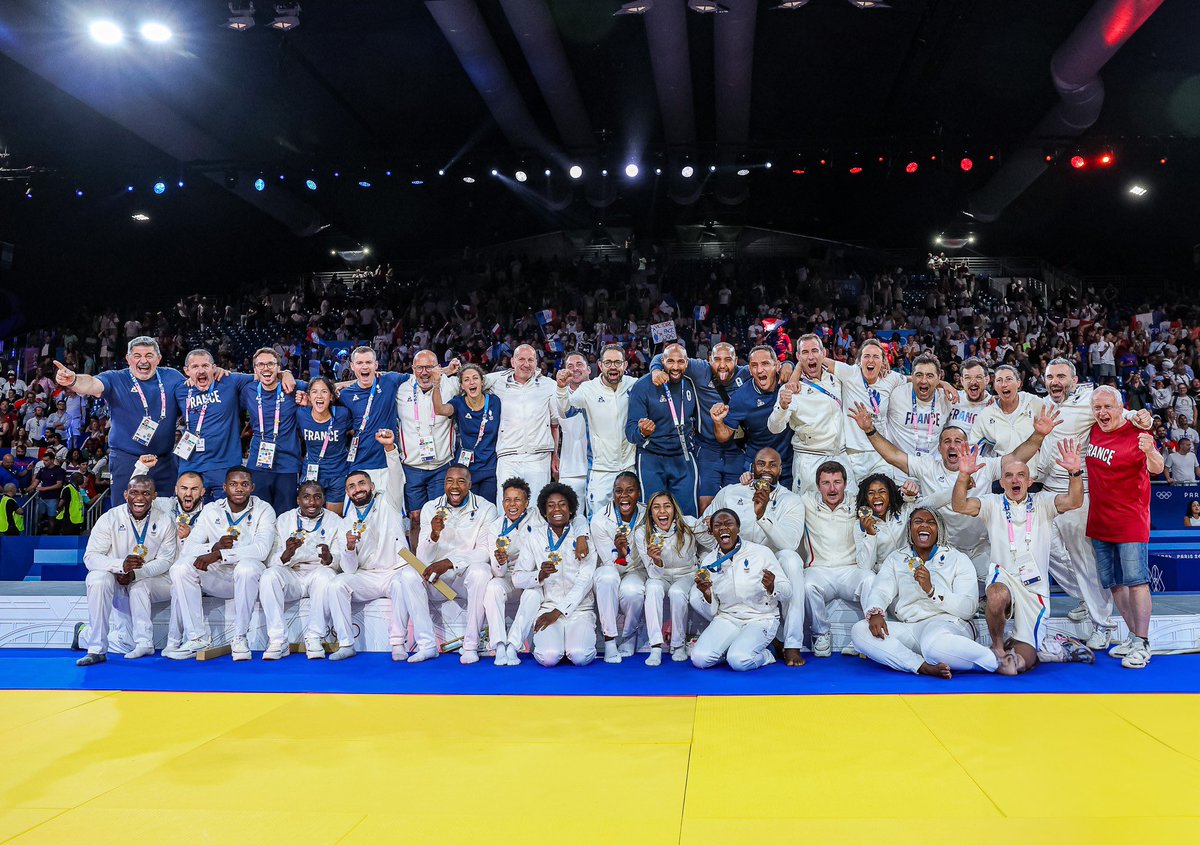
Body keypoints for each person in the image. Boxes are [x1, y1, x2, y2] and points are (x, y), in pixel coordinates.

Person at [1009, 360, 1151, 649]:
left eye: (1061, 376)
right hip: (1045, 493)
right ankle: (1088, 601)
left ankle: (1104, 625)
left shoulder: (1089, 402)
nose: (1055, 381)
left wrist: (1140, 416)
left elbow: (1120, 411)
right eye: (1050, 376)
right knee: (1044, 555)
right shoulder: (1038, 402)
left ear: (1074, 379)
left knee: (1087, 565)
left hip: (1078, 495)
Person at [952, 441, 1084, 675]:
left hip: (1034, 588)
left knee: (1016, 667)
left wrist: (1075, 473)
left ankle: (1042, 649)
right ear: (1001, 482)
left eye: (1021, 475)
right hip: (1003, 576)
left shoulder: (1044, 502)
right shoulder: (991, 503)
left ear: (1029, 480)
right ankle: (998, 647)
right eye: (1009, 476)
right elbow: (959, 505)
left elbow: (1074, 501)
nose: (1015, 480)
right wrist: (963, 476)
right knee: (995, 596)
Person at [850, 408, 996, 582]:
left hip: (979, 548)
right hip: (941, 550)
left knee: (992, 586)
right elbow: (894, 456)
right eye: (947, 441)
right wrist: (870, 430)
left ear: (967, 446)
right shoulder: (927, 466)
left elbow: (1016, 460)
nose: (952, 445)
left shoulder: (985, 466)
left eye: (958, 441)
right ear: (939, 448)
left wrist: (1038, 435)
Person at [851, 507, 999, 678]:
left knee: (934, 646)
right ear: (909, 529)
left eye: (931, 523)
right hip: (911, 627)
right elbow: (881, 590)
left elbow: (968, 608)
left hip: (947, 623)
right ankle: (920, 665)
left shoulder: (957, 559)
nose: (924, 526)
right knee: (860, 630)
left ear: (940, 529)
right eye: (918, 522)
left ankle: (995, 660)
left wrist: (932, 590)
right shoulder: (896, 558)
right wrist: (876, 611)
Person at [1086, 385, 1165, 669]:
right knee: (1115, 584)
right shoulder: (1093, 430)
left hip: (1130, 519)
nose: (1102, 413)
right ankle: (1132, 636)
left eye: (1108, 407)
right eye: (1097, 408)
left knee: (1137, 581)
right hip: (1099, 520)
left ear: (1122, 408)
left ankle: (1143, 642)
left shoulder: (1137, 432)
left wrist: (1150, 450)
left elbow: (1157, 468)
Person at [326, 431, 423, 662]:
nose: (358, 488)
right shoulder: (345, 523)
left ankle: (398, 643)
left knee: (402, 585)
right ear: (348, 494)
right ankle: (347, 643)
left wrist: (390, 448)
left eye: (362, 483)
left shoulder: (389, 501)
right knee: (338, 583)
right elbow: (349, 570)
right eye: (352, 487)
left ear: (372, 485)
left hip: (395, 570)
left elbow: (397, 476)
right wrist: (349, 549)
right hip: (367, 576)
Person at [703, 447, 806, 666]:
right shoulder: (732, 491)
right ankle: (743, 638)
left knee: (792, 559)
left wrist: (763, 514)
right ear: (752, 467)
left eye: (772, 464)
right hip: (737, 559)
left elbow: (790, 544)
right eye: (761, 464)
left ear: (780, 469)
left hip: (771, 563)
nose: (766, 469)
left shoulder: (791, 500)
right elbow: (706, 524)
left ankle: (792, 643)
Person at [54, 337, 186, 506]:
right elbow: (92, 384)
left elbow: (194, 397)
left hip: (164, 461)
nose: (143, 361)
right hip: (127, 459)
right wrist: (73, 380)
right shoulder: (115, 378)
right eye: (137, 355)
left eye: (149, 355)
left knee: (166, 511)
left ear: (158, 358)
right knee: (124, 514)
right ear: (128, 358)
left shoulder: (173, 377)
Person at [170, 466, 278, 661]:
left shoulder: (264, 509)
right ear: (224, 487)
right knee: (180, 567)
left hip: (249, 577)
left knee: (247, 567)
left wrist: (221, 553)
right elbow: (189, 548)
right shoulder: (212, 510)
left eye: (244, 484)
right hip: (218, 577)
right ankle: (197, 637)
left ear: (252, 487)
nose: (239, 489)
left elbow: (261, 550)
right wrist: (213, 547)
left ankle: (240, 637)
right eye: (233, 484)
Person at [77, 476, 177, 665]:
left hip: (144, 581)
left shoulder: (165, 521)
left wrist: (135, 574)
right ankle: (96, 648)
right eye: (134, 492)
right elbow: (90, 557)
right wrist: (119, 567)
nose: (139, 498)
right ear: (125, 494)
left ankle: (83, 634)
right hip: (114, 581)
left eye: (146, 493)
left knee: (129, 643)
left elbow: (166, 560)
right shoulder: (110, 518)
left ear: (154, 496)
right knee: (97, 579)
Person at [412, 464, 498, 664]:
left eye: (461, 481)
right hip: (436, 580)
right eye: (450, 481)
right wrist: (433, 536)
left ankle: (471, 645)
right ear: (444, 483)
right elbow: (422, 557)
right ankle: (427, 645)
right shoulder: (430, 508)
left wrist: (450, 562)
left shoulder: (486, 508)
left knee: (481, 572)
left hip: (465, 578)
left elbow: (484, 552)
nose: (455, 486)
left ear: (469, 484)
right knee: (406, 577)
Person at [650, 342, 748, 511]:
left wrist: (788, 366)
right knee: (705, 505)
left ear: (736, 360)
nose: (722, 365)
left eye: (728, 359)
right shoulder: (700, 369)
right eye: (717, 359)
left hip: (737, 450)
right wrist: (656, 370)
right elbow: (663, 356)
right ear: (709, 359)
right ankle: (706, 538)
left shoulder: (746, 374)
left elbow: (773, 367)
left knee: (738, 504)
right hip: (708, 449)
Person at [689, 509, 792, 672]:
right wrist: (707, 594)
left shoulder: (761, 553)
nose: (723, 528)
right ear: (713, 531)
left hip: (760, 618)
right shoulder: (708, 563)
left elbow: (787, 592)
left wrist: (773, 587)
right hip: (727, 618)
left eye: (728, 523)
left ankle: (768, 653)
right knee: (699, 659)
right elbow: (713, 610)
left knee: (739, 661)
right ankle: (733, 650)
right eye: (718, 525)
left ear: (738, 528)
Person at [514, 482, 598, 667]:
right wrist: (539, 575)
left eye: (562, 504)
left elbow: (585, 581)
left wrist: (559, 611)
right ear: (544, 512)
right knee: (549, 658)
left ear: (571, 510)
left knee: (580, 656)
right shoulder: (534, 537)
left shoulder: (583, 538)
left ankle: (571, 644)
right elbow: (517, 578)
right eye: (550, 505)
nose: (556, 509)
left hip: (580, 610)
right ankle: (559, 645)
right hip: (547, 607)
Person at [259, 481, 343, 661]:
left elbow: (340, 562)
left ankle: (314, 637)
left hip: (318, 572)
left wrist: (330, 558)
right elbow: (271, 560)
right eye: (306, 497)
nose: (312, 502)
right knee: (268, 576)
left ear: (324, 499)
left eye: (317, 497)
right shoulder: (284, 520)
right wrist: (287, 554)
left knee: (327, 575)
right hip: (292, 573)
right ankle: (278, 640)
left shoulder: (335, 521)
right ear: (298, 499)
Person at [801, 460, 873, 657]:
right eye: (826, 483)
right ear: (817, 486)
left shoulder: (858, 501)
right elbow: (778, 495)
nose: (832, 489)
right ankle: (821, 633)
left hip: (850, 569)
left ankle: (867, 636)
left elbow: (886, 495)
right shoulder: (806, 501)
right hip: (819, 570)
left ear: (846, 483)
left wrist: (908, 495)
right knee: (806, 585)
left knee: (869, 578)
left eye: (837, 482)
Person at [556, 343, 637, 516]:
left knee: (630, 518)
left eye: (617, 362)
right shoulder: (588, 389)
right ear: (600, 365)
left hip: (629, 467)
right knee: (598, 522)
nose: (613, 367)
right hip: (600, 470)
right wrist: (562, 389)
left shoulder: (635, 386)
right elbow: (566, 411)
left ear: (625, 365)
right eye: (608, 362)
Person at [625, 342, 700, 516]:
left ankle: (686, 544)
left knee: (687, 515)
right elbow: (630, 432)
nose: (675, 367)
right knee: (652, 513)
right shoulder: (643, 386)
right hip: (652, 458)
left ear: (686, 363)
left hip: (683, 457)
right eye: (670, 361)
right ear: (662, 361)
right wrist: (642, 432)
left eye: (680, 362)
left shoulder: (691, 383)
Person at [479, 477, 546, 667]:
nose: (512, 504)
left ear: (527, 503)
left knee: (534, 594)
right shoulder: (495, 526)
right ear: (502, 502)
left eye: (517, 500)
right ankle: (499, 644)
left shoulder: (538, 517)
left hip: (530, 576)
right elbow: (498, 573)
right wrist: (500, 562)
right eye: (508, 500)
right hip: (508, 576)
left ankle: (513, 646)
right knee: (492, 587)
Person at [396, 350, 460, 546]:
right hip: (412, 468)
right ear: (413, 369)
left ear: (438, 367)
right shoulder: (401, 388)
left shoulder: (453, 385)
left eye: (429, 367)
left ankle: (440, 562)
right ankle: (417, 564)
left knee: (440, 519)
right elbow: (372, 378)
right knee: (415, 519)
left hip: (441, 467)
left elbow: (479, 379)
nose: (424, 372)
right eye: (419, 368)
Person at [484, 344, 559, 508]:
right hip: (508, 457)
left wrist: (555, 456)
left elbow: (554, 424)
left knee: (536, 510)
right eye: (521, 359)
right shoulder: (497, 382)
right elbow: (470, 379)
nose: (526, 364)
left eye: (531, 360)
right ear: (512, 362)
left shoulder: (549, 385)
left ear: (536, 362)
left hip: (538, 457)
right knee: (507, 509)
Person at [773, 334, 849, 495]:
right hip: (810, 460)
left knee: (847, 509)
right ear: (798, 357)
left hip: (840, 456)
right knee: (809, 512)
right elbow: (774, 427)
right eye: (805, 352)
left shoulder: (838, 378)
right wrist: (782, 406)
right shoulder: (791, 389)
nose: (811, 356)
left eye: (815, 350)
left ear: (824, 353)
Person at [173, 350, 254, 500]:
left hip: (224, 465)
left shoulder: (230, 380)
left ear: (214, 368)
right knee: (187, 517)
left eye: (205, 365)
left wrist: (285, 373)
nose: (201, 370)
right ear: (186, 371)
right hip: (190, 464)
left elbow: (264, 376)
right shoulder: (180, 389)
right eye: (195, 366)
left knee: (223, 517)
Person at [638, 489, 706, 666]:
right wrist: (657, 560)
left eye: (667, 506)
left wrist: (707, 529)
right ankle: (656, 646)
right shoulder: (642, 533)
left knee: (677, 592)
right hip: (661, 575)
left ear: (674, 509)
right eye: (656, 507)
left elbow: (712, 544)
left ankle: (678, 644)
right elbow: (653, 574)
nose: (662, 511)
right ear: (650, 513)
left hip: (687, 575)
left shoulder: (689, 524)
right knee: (652, 587)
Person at [714, 345, 795, 490]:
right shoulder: (741, 397)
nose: (759, 370)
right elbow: (724, 436)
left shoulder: (789, 383)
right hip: (758, 465)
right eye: (754, 365)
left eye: (765, 364)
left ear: (776, 366)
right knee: (757, 508)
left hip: (789, 462)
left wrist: (789, 364)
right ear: (750, 370)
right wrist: (718, 422)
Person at [826, 339, 907, 483]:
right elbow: (816, 359)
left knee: (884, 497)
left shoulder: (890, 377)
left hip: (882, 453)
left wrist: (944, 383)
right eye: (866, 356)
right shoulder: (851, 373)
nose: (871, 360)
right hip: (854, 455)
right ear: (859, 361)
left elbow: (916, 380)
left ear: (883, 362)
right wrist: (792, 367)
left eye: (876, 357)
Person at [589, 472, 648, 663]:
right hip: (610, 569)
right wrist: (621, 553)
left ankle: (629, 636)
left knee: (633, 591)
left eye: (630, 491)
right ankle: (609, 640)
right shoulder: (599, 519)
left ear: (638, 493)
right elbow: (609, 563)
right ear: (613, 494)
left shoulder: (648, 514)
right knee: (607, 577)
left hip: (636, 570)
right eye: (618, 491)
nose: (624, 496)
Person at [240, 348, 306, 515]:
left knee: (285, 517)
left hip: (287, 464)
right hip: (258, 463)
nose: (266, 368)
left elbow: (325, 388)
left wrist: (287, 373)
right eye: (260, 364)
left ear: (278, 367)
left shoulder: (293, 387)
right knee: (259, 516)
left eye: (270, 363)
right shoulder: (249, 389)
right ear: (255, 370)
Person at [338, 346, 408, 489]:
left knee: (391, 509)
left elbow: (421, 377)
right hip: (358, 461)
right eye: (359, 363)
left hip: (387, 461)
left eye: (369, 362)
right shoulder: (345, 395)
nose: (364, 366)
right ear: (352, 366)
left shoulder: (390, 380)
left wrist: (447, 371)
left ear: (376, 365)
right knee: (360, 509)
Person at [434, 363, 500, 503]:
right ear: (462, 386)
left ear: (482, 382)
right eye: (466, 379)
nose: (471, 382)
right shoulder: (459, 403)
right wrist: (436, 385)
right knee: (468, 509)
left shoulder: (495, 402)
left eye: (475, 378)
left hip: (490, 467)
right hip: (467, 469)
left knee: (488, 507)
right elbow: (440, 410)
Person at [882, 353, 951, 477]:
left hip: (931, 475)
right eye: (919, 375)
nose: (923, 381)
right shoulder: (895, 394)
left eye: (930, 376)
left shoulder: (947, 398)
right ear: (912, 376)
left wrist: (991, 400)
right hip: (898, 474)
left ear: (939, 377)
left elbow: (974, 401)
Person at [296, 377, 354, 515]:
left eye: (324, 391)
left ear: (332, 396)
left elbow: (354, 432)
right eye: (315, 392)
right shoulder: (301, 414)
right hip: (312, 474)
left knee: (334, 520)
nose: (319, 396)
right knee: (311, 517)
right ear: (309, 396)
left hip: (338, 474)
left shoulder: (342, 414)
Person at [968, 365, 1040, 457]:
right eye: (999, 380)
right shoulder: (986, 414)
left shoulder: (1033, 402)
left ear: (1018, 383)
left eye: (1008, 379)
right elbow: (972, 451)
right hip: (1003, 469)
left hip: (1033, 469)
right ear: (994, 385)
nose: (1004, 384)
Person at [555, 352, 592, 512]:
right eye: (570, 366)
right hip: (569, 469)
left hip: (598, 467)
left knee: (599, 520)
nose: (575, 369)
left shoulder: (599, 391)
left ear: (589, 369)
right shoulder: (557, 394)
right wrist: (553, 456)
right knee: (571, 520)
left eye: (579, 365)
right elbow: (553, 426)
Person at [948, 358, 994, 431]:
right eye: (967, 378)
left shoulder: (994, 405)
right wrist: (943, 384)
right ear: (962, 381)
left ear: (987, 379)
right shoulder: (952, 398)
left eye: (978, 377)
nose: (973, 382)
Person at [54, 471, 88, 535]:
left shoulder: (77, 489)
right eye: (81, 478)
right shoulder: (68, 489)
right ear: (76, 479)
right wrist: (58, 509)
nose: (82, 480)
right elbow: (61, 502)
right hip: (68, 518)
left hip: (77, 518)